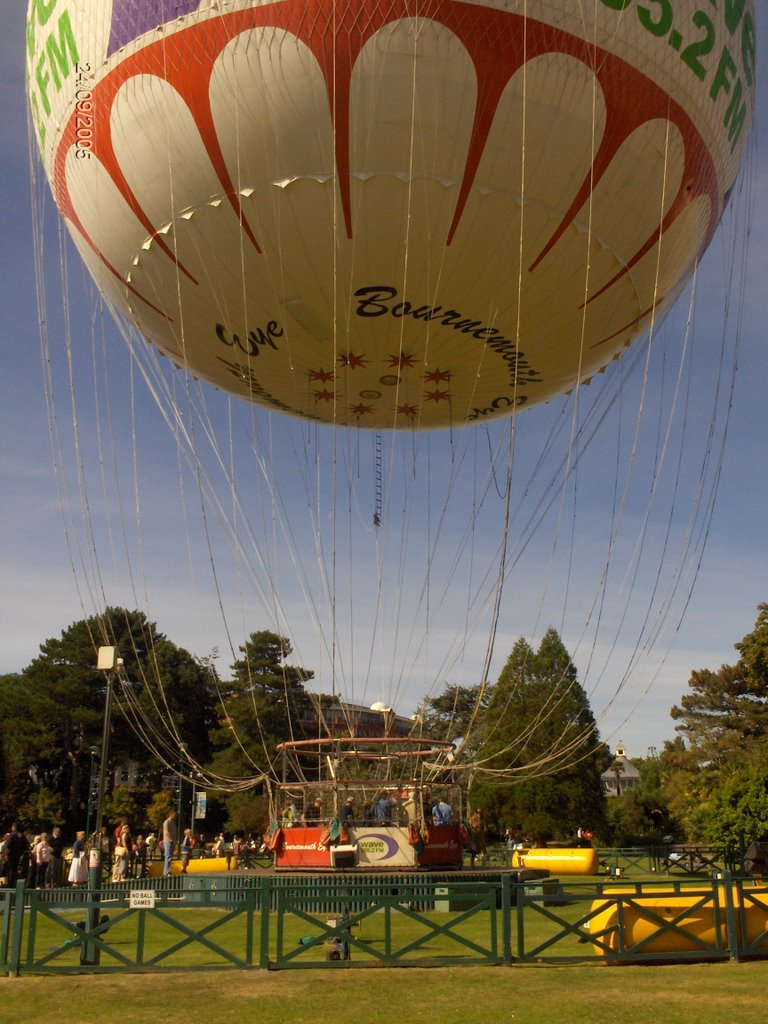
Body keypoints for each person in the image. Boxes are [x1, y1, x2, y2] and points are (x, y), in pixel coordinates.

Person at [162, 809, 177, 876]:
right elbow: (167, 832)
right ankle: (166, 872)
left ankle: (168, 870)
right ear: (171, 815)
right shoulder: (166, 822)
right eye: (174, 815)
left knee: (170, 856)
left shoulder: (173, 823)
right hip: (168, 841)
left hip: (173, 841)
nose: (175, 816)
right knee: (168, 856)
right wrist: (172, 839)